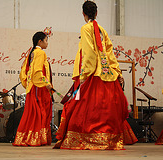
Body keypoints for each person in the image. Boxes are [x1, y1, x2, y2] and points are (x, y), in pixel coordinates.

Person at [53, 1, 128, 150]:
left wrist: (84, 74)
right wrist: (117, 71)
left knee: (84, 109)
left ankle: (86, 139)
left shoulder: (85, 28)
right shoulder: (102, 30)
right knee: (105, 109)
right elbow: (109, 53)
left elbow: (89, 53)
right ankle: (107, 139)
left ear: (83, 14)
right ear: (96, 13)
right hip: (107, 73)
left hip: (93, 73)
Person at [13, 31, 53, 146]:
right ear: (40, 41)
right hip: (39, 88)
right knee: (40, 113)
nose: (47, 43)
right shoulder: (40, 53)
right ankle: (36, 139)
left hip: (32, 88)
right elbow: (37, 72)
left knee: (33, 114)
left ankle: (31, 138)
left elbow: (23, 73)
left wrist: (28, 84)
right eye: (46, 41)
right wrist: (46, 83)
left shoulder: (31, 53)